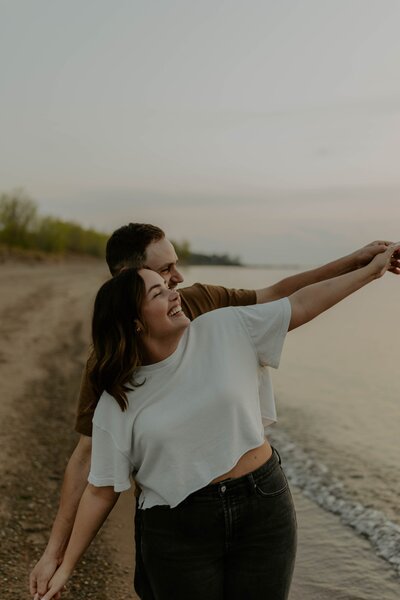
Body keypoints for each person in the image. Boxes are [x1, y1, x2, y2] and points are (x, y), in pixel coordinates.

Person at [29, 223, 399, 599]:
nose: (178, 282)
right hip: (178, 520)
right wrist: (56, 558)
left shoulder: (215, 314)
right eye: (162, 277)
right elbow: (93, 470)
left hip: (262, 501)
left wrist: (364, 266)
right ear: (129, 292)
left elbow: (290, 298)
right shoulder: (113, 382)